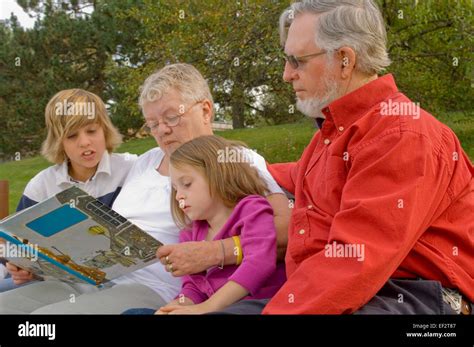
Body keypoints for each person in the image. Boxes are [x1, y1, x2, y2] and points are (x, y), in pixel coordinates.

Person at [218, 0, 473, 315]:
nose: (287, 75)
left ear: (344, 60)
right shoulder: (334, 134)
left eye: (296, 60)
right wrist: (215, 168)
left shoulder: (402, 134)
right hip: (346, 292)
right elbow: (298, 176)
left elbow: (353, 259)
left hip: (415, 297)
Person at [0, 64, 290, 313]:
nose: (162, 130)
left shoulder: (236, 159)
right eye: (152, 123)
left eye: (171, 117)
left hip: (153, 286)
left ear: (205, 110)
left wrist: (216, 252)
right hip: (93, 277)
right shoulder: (142, 162)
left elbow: (286, 230)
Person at [125, 135, 286, 314]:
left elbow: (260, 262)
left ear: (218, 174)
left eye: (186, 184)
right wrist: (178, 305)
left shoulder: (251, 209)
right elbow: (193, 286)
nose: (179, 196)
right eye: (175, 189)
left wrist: (206, 307)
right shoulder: (190, 233)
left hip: (255, 304)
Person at [0, 89, 136, 294]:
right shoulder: (41, 186)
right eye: (71, 136)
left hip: (115, 283)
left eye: (91, 131)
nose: (84, 142)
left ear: (105, 130)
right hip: (52, 283)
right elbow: (15, 246)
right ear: (59, 143)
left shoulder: (131, 169)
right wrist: (18, 266)